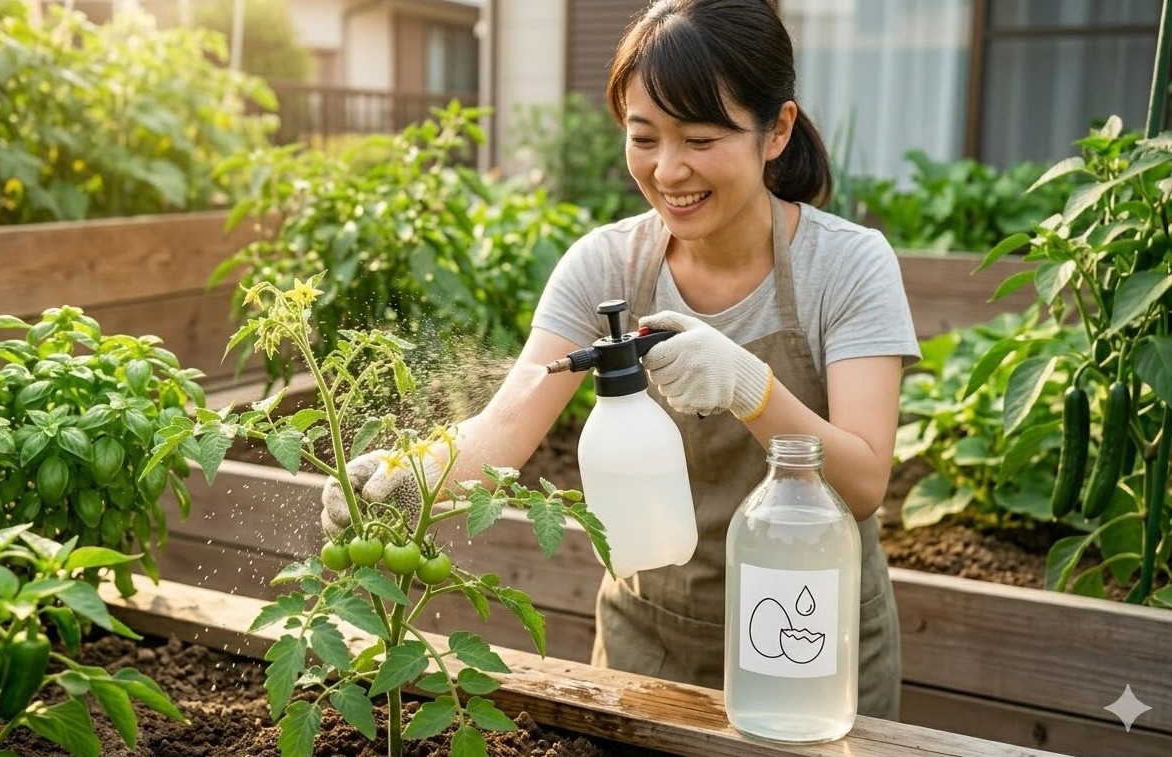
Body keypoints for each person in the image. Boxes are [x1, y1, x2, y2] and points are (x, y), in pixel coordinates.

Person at [322, 0, 918, 720]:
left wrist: (746, 385)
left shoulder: (847, 266)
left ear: (777, 131)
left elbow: (861, 482)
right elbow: (505, 426)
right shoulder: (606, 264)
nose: (669, 170)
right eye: (645, 137)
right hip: (651, 636)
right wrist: (409, 476)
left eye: (700, 138)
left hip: (809, 633)